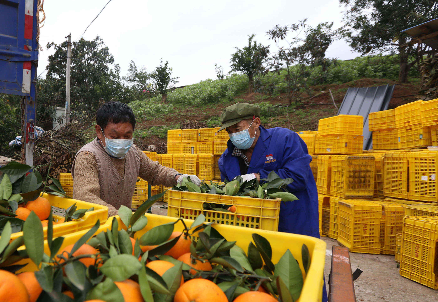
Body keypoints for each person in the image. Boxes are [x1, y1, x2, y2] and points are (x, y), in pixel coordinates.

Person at [73, 101, 201, 216]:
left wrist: (178, 177)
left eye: (127, 135)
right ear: (99, 131)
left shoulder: (133, 153)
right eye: (114, 136)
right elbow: (86, 197)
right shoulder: (88, 157)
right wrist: (121, 216)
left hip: (123, 228)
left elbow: (154, 172)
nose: (122, 141)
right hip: (94, 229)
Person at [217, 103, 319, 239]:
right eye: (229, 132)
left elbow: (298, 177)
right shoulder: (226, 160)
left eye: (237, 129)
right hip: (252, 229)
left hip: (292, 224)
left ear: (256, 122)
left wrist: (258, 178)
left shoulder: (285, 139)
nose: (234, 135)